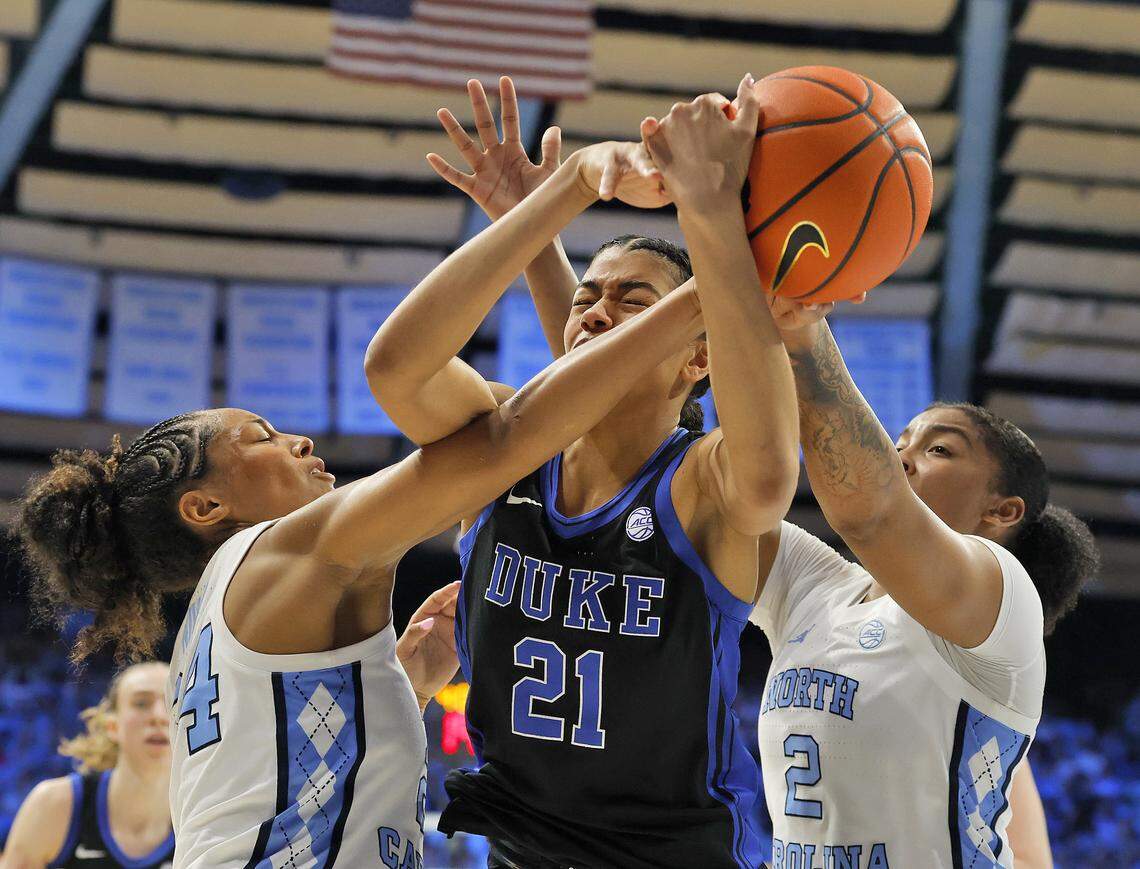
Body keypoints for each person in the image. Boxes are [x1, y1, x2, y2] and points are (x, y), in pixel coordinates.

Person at [11, 143, 707, 868]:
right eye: (262, 437)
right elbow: (509, 434)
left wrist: (398, 689)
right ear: (205, 505)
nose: (299, 440)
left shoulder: (235, 617)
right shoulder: (287, 549)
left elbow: (285, 786)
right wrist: (695, 270)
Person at [367, 76, 800, 869]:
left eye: (633, 302)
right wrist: (537, 221)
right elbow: (399, 370)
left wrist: (718, 226)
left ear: (699, 358)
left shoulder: (700, 481)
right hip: (517, 850)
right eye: (587, 299)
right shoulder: (504, 453)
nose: (596, 312)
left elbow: (772, 479)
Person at [746, 296, 1099, 867]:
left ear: (1002, 511)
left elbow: (868, 507)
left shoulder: (1001, 593)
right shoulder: (817, 586)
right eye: (899, 442)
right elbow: (712, 499)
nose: (900, 458)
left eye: (938, 450)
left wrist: (803, 329)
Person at [0, 662, 174, 869]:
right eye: (141, 703)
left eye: (173, 703)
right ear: (112, 726)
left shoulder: (206, 812)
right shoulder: (54, 805)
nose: (159, 716)